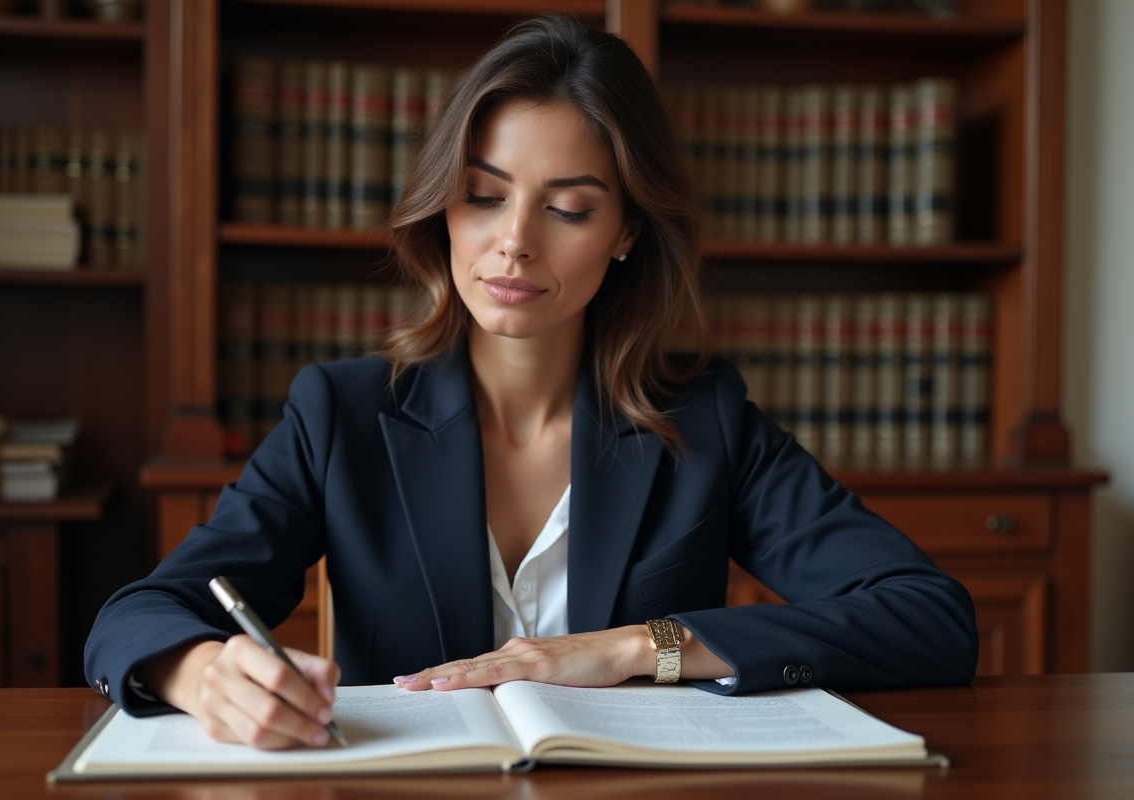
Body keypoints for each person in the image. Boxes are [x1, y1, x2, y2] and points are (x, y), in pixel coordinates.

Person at [85, 13, 978, 751]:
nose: (515, 240)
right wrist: (204, 676)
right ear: (444, 206)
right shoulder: (343, 414)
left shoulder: (704, 420)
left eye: (568, 209)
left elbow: (930, 617)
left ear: (625, 231)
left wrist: (638, 648)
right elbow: (138, 615)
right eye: (483, 195)